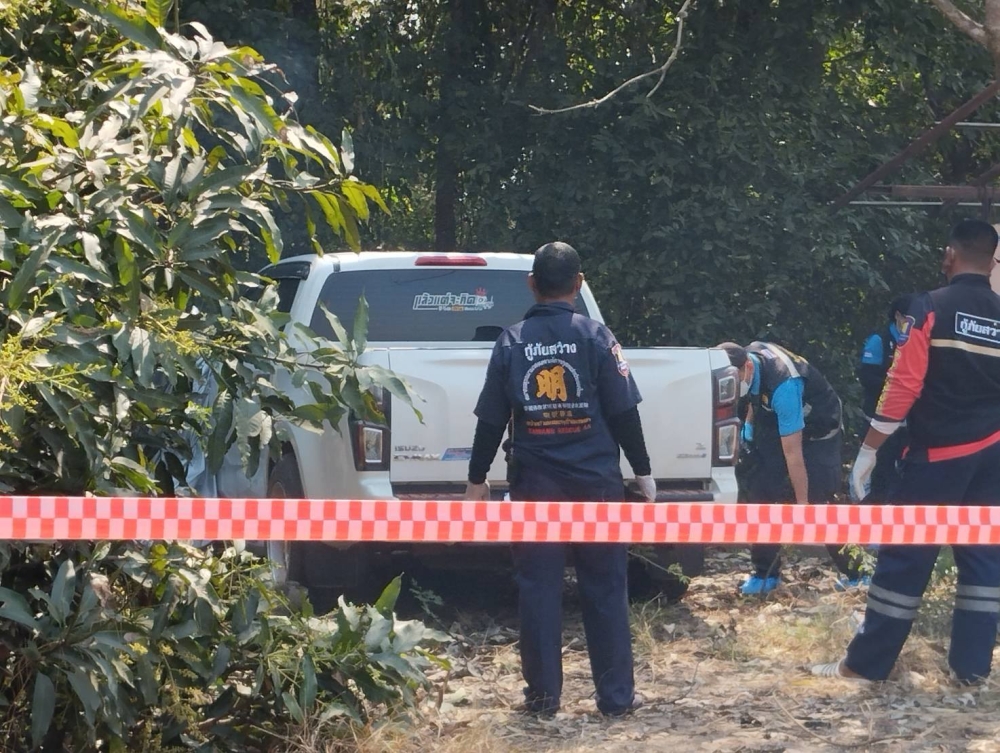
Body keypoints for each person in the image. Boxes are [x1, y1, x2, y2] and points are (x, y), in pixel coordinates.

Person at [465, 241, 656, 718]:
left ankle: (543, 700)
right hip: (596, 484)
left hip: (536, 487)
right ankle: (615, 700)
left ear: (532, 283)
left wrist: (475, 480)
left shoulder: (511, 342)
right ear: (579, 283)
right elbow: (624, 412)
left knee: (538, 590)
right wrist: (644, 471)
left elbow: (491, 420)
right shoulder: (597, 338)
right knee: (606, 588)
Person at [813, 219, 1000, 684]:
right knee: (983, 560)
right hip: (994, 457)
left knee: (905, 557)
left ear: (950, 255)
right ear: (992, 260)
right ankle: (972, 672)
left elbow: (902, 385)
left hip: (938, 457)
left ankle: (863, 666)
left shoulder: (930, 308)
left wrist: (869, 451)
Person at [720, 341, 864, 595]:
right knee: (760, 492)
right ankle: (765, 574)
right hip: (776, 418)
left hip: (818, 426)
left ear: (747, 367)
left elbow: (793, 453)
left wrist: (803, 506)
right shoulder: (748, 362)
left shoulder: (784, 384)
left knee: (821, 501)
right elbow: (755, 397)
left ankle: (858, 573)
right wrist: (748, 431)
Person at [857, 294, 914, 502]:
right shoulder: (879, 340)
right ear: (898, 316)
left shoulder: (913, 340)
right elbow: (867, 377)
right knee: (881, 471)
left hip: (908, 422)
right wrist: (896, 387)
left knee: (904, 474)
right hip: (878, 420)